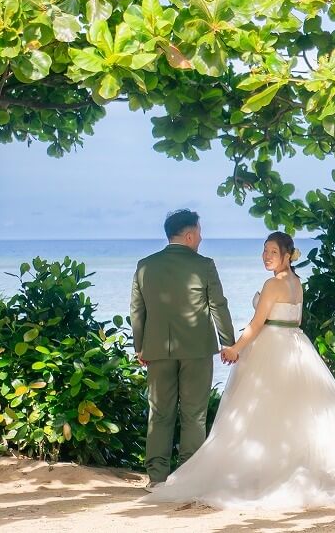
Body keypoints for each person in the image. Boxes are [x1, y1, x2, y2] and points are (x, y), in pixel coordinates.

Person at [141, 231, 335, 510]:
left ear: (288, 255)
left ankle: (258, 470)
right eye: (263, 250)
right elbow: (293, 321)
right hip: (295, 346)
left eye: (272, 251)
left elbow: (258, 324)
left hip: (272, 348)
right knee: (294, 414)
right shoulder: (296, 282)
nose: (266, 256)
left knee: (260, 414)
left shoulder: (273, 284)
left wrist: (234, 348)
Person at [130, 209, 235, 487]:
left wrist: (139, 346)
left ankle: (156, 478)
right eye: (199, 232)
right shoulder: (204, 265)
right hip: (197, 350)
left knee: (159, 412)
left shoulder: (144, 266)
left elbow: (137, 311)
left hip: (157, 350)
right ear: (189, 235)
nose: (201, 237)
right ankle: (188, 476)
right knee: (194, 414)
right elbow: (218, 306)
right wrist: (228, 342)